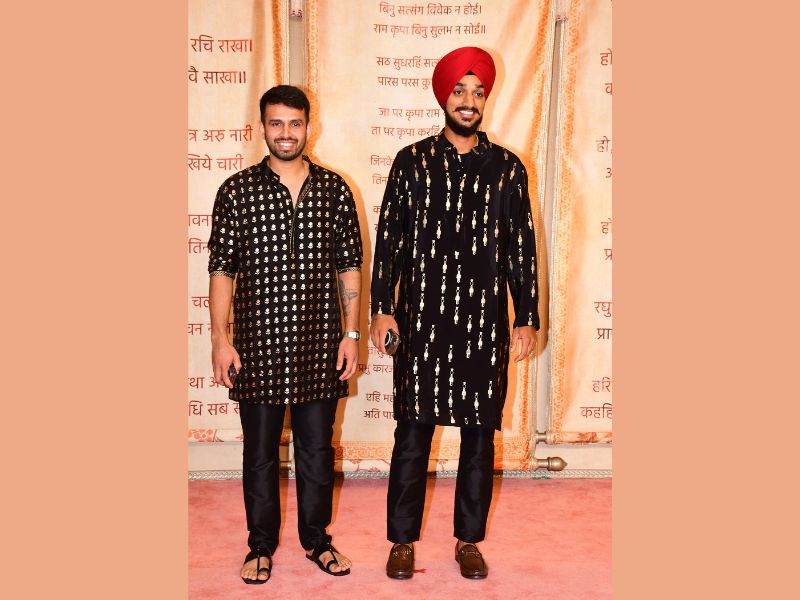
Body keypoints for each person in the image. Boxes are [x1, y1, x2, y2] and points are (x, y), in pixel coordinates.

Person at [370, 47, 539, 580]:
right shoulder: (411, 161)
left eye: (478, 92)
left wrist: (526, 315)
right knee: (411, 438)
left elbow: (520, 248)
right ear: (444, 96)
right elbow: (390, 241)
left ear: (486, 99)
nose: (469, 101)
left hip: (482, 325)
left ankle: (468, 539)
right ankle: (402, 541)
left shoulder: (507, 168)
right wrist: (382, 309)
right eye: (460, 91)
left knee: (479, 439)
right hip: (422, 322)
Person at [208, 85, 363, 584]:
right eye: (276, 123)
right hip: (257, 347)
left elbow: (349, 266)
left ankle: (317, 540)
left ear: (309, 127)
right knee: (259, 454)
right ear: (262, 128)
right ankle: (260, 545)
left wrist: (351, 333)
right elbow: (222, 270)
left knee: (318, 452)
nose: (286, 133)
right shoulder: (236, 191)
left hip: (320, 345)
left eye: (295, 123)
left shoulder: (335, 190)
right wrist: (220, 339)